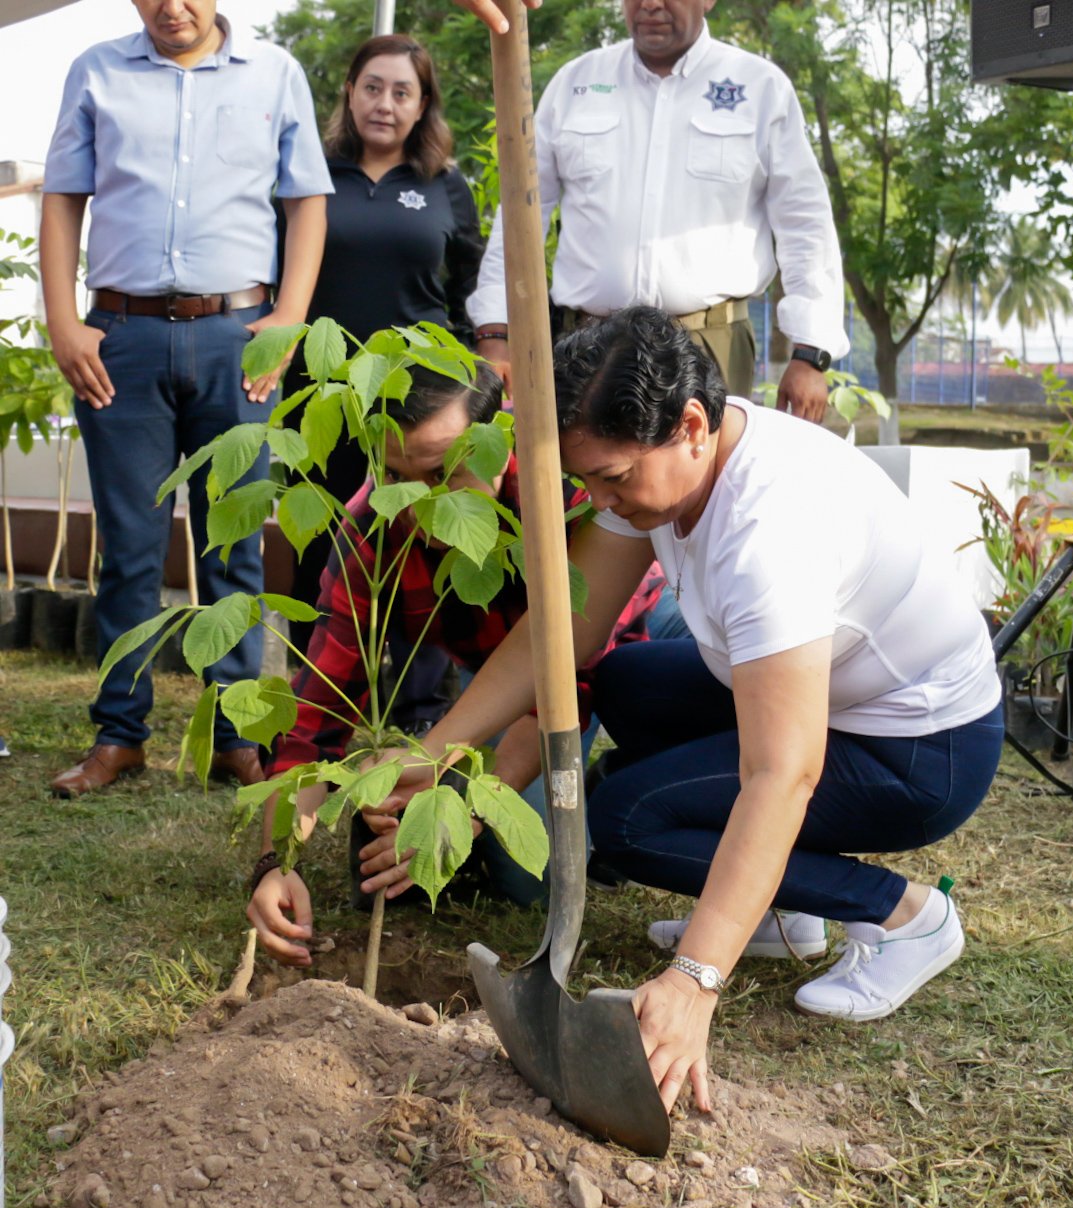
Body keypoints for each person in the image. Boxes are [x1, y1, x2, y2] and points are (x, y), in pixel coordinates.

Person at [361, 306, 1003, 1111]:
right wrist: (437, 753)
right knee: (628, 682)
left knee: (628, 820)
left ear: (691, 423)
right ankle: (782, 915)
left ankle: (905, 915)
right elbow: (560, 632)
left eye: (614, 480)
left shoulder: (770, 532)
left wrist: (695, 979)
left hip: (918, 749)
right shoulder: (669, 467)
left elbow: (782, 772)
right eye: (585, 479)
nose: (599, 500)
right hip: (831, 694)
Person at [247, 361, 662, 967]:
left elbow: (572, 682)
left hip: (630, 645)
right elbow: (316, 720)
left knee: (542, 851)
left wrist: (467, 808)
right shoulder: (371, 531)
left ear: (499, 442)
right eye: (397, 476)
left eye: (445, 473)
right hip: (499, 671)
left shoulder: (570, 499)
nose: (422, 506)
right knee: (517, 874)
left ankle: (618, 783)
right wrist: (274, 864)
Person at [41, 0, 332, 798]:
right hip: (122, 337)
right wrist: (64, 320)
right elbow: (64, 196)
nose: (172, 6)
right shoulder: (96, 71)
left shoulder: (276, 73)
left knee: (232, 542)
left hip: (236, 337)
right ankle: (120, 733)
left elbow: (306, 198)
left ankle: (235, 733)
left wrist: (289, 320)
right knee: (129, 548)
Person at [467, 0, 848, 419]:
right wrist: (495, 328)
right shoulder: (576, 83)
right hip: (587, 346)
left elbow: (805, 223)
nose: (649, 4)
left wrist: (811, 352)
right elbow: (521, 215)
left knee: (702, 483)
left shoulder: (760, 89)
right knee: (580, 482)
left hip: (708, 345)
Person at [282, 33, 484, 668]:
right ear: (350, 92)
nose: (385, 104)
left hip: (415, 401)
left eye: (403, 92)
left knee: (413, 541)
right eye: (373, 87)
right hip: (321, 394)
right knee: (321, 540)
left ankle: (418, 704)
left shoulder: (446, 187)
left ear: (423, 105)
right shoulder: (308, 176)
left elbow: (471, 292)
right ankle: (315, 698)